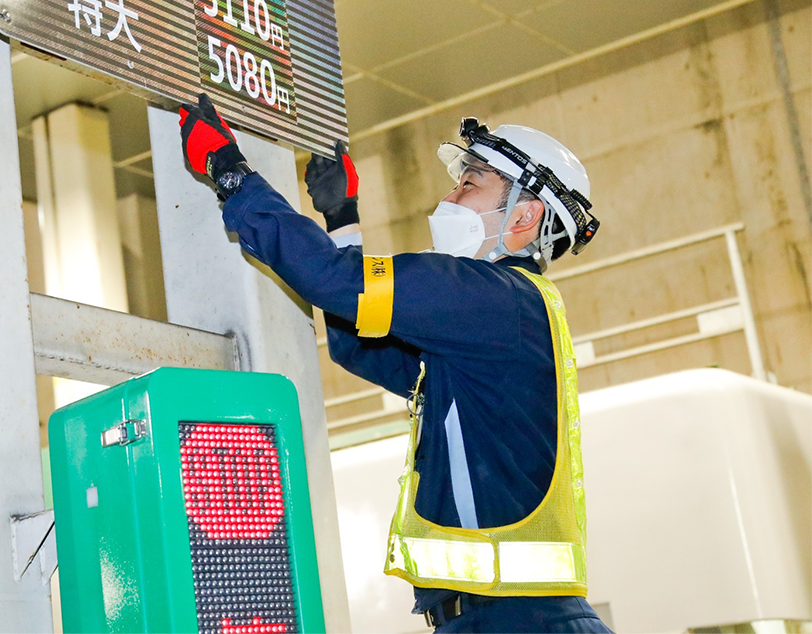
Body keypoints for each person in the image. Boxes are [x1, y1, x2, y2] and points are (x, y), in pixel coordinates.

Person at [177, 93, 614, 633]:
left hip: (514, 622)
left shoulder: (491, 299)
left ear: (525, 216)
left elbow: (339, 283)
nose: (449, 197)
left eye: (470, 183)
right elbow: (358, 341)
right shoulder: (501, 320)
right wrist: (342, 218)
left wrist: (231, 174)